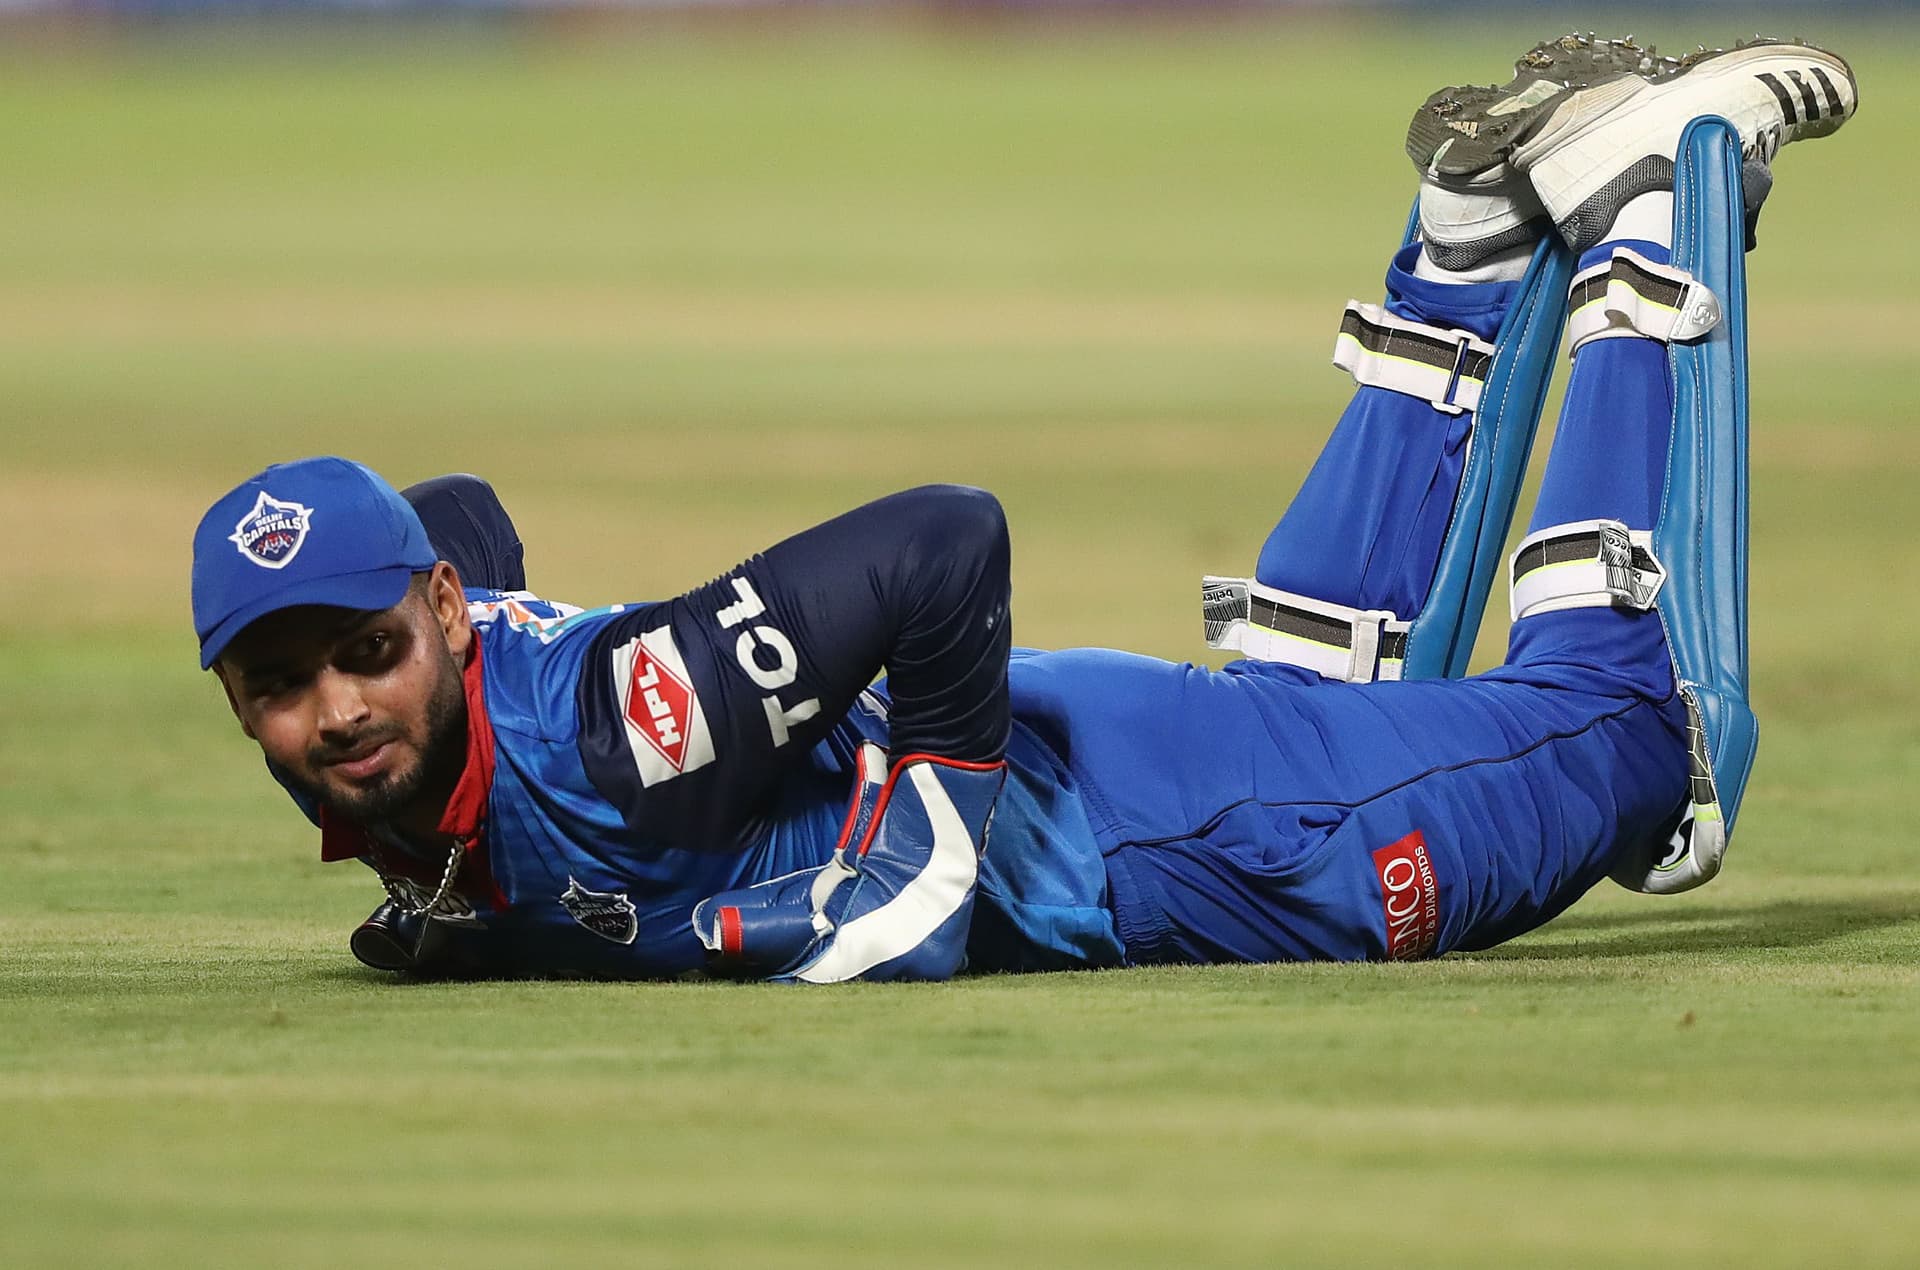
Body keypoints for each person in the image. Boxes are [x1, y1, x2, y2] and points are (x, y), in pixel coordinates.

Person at [190, 35, 1856, 981]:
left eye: (367, 650)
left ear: (442, 616)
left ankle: (1664, 176)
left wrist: (926, 838)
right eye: (286, 681)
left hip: (1181, 851)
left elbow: (941, 541)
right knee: (1314, 707)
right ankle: (1476, 239)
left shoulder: (637, 723)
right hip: (1140, 762)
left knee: (1641, 730)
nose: (337, 709)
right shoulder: (454, 675)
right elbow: (465, 513)